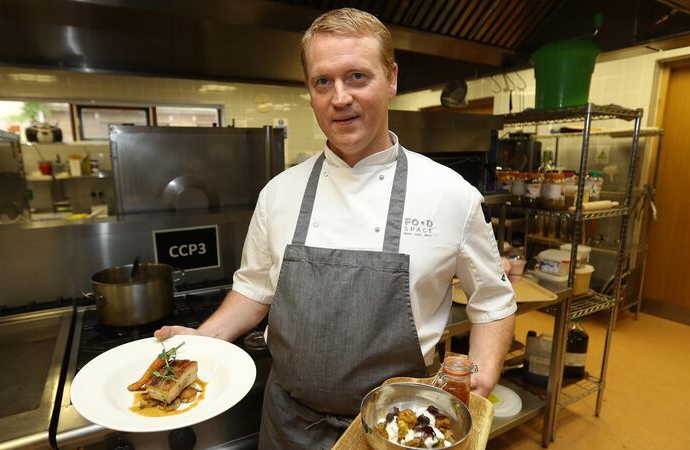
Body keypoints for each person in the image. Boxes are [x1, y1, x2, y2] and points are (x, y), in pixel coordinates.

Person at [155, 7, 516, 449]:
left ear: (392, 79)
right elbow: (253, 289)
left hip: (397, 430)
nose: (339, 97)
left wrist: (476, 385)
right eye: (323, 81)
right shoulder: (278, 193)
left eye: (357, 77)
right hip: (288, 424)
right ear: (309, 90)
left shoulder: (451, 196)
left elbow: (493, 301)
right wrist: (204, 340)